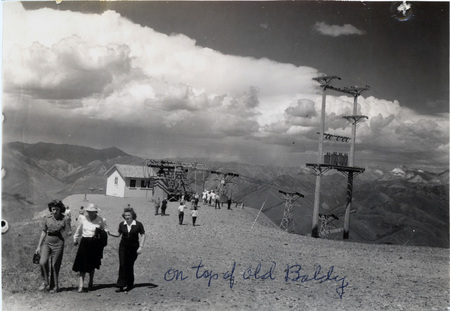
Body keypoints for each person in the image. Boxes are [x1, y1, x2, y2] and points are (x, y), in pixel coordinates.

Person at [35, 200, 72, 293]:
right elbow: (44, 231)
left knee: (55, 265)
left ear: (60, 209)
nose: (54, 211)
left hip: (59, 242)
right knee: (42, 262)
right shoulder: (47, 218)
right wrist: (39, 246)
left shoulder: (66, 218)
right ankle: (45, 282)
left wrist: (67, 233)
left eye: (56, 209)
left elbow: (68, 232)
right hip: (47, 242)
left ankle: (55, 286)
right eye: (53, 209)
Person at [72, 203, 108, 292]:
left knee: (92, 263)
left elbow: (105, 230)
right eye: (89, 211)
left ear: (96, 211)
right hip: (85, 242)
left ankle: (91, 281)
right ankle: (81, 285)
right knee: (82, 263)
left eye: (92, 212)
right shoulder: (84, 219)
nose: (90, 213)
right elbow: (79, 229)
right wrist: (75, 238)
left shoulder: (100, 220)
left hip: (95, 243)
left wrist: (103, 235)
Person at [108, 207, 146, 292]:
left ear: (133, 216)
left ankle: (130, 284)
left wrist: (141, 246)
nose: (127, 217)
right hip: (123, 247)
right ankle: (120, 285)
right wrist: (109, 232)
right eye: (125, 215)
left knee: (129, 265)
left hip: (134, 247)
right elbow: (118, 234)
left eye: (128, 215)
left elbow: (143, 235)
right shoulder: (122, 224)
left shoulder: (138, 224)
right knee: (122, 264)